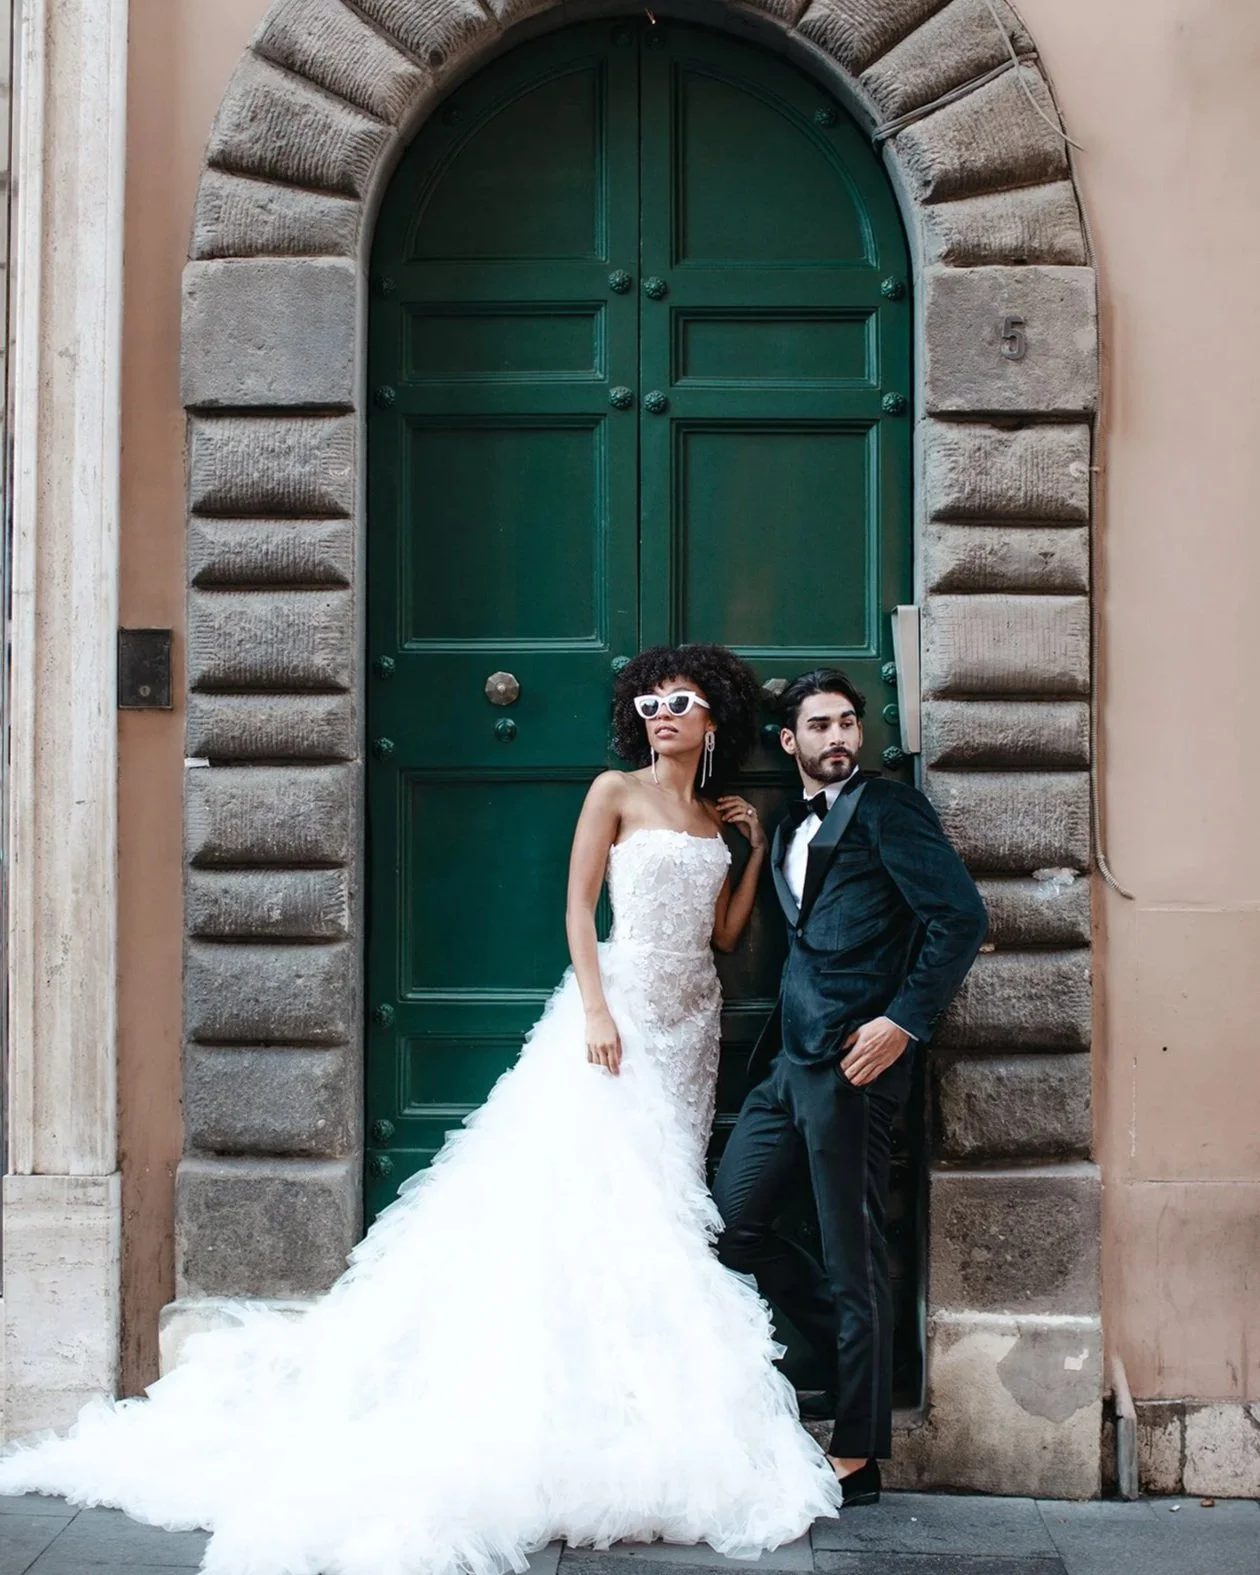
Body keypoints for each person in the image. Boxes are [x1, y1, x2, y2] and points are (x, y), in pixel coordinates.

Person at [0, 644, 844, 1575]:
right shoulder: (615, 790)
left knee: (668, 1202)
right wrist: (597, 1010)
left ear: (714, 716)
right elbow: (578, 907)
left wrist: (753, 850)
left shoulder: (716, 820)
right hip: (624, 1013)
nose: (663, 714)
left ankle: (630, 1406)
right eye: (649, 703)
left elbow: (722, 937)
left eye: (680, 702)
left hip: (694, 1024)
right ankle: (573, 1414)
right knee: (603, 1201)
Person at [714, 668, 988, 1509]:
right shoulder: (794, 819)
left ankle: (861, 1451)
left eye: (847, 723)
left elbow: (961, 917)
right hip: (787, 1065)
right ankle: (850, 1350)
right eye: (818, 726)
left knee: (852, 1251)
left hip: (856, 1066)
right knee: (733, 1221)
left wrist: (901, 1022)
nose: (837, 737)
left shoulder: (889, 807)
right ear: (788, 742)